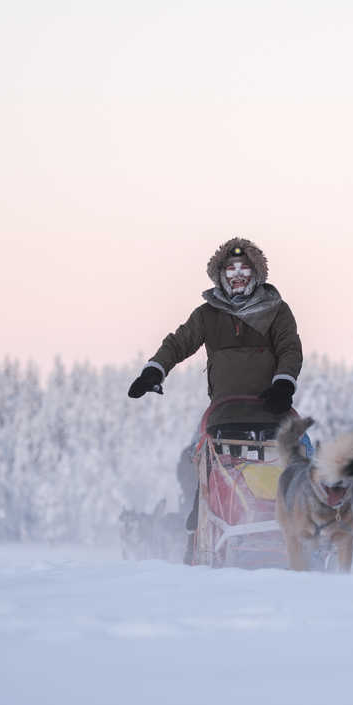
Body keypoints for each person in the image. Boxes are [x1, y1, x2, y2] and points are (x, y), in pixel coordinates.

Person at [127, 237, 304, 559]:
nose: (238, 274)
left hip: (273, 408)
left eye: (245, 268)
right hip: (225, 414)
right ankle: (201, 529)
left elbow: (290, 349)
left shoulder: (277, 310)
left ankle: (308, 522)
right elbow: (179, 342)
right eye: (231, 269)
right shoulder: (208, 314)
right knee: (204, 467)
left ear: (257, 273)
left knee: (302, 457)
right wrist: (154, 370)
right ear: (220, 275)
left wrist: (283, 384)